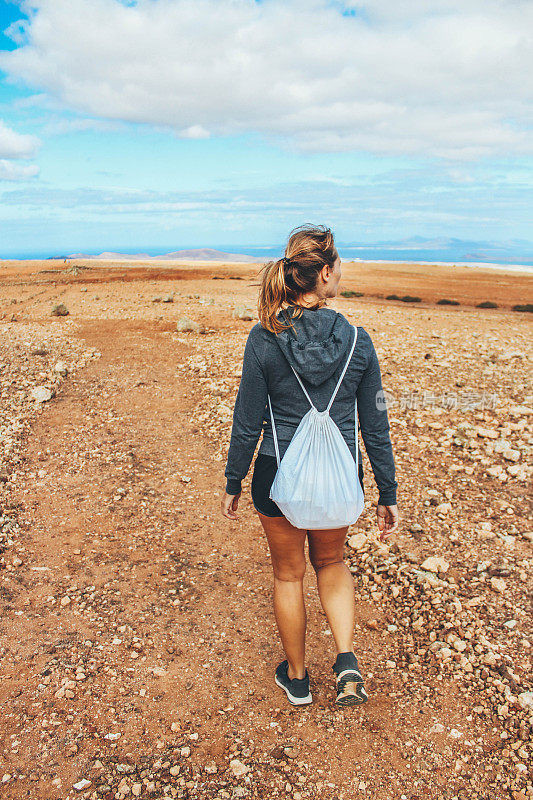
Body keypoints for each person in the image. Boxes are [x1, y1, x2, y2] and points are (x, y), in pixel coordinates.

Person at [221, 224, 399, 707]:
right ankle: (346, 662)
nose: (340, 273)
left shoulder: (264, 338)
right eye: (338, 266)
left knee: (287, 574)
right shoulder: (359, 341)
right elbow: (374, 426)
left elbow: (247, 419)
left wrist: (233, 479)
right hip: (338, 480)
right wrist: (388, 492)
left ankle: (297, 679)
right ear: (323, 273)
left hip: (276, 477)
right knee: (332, 562)